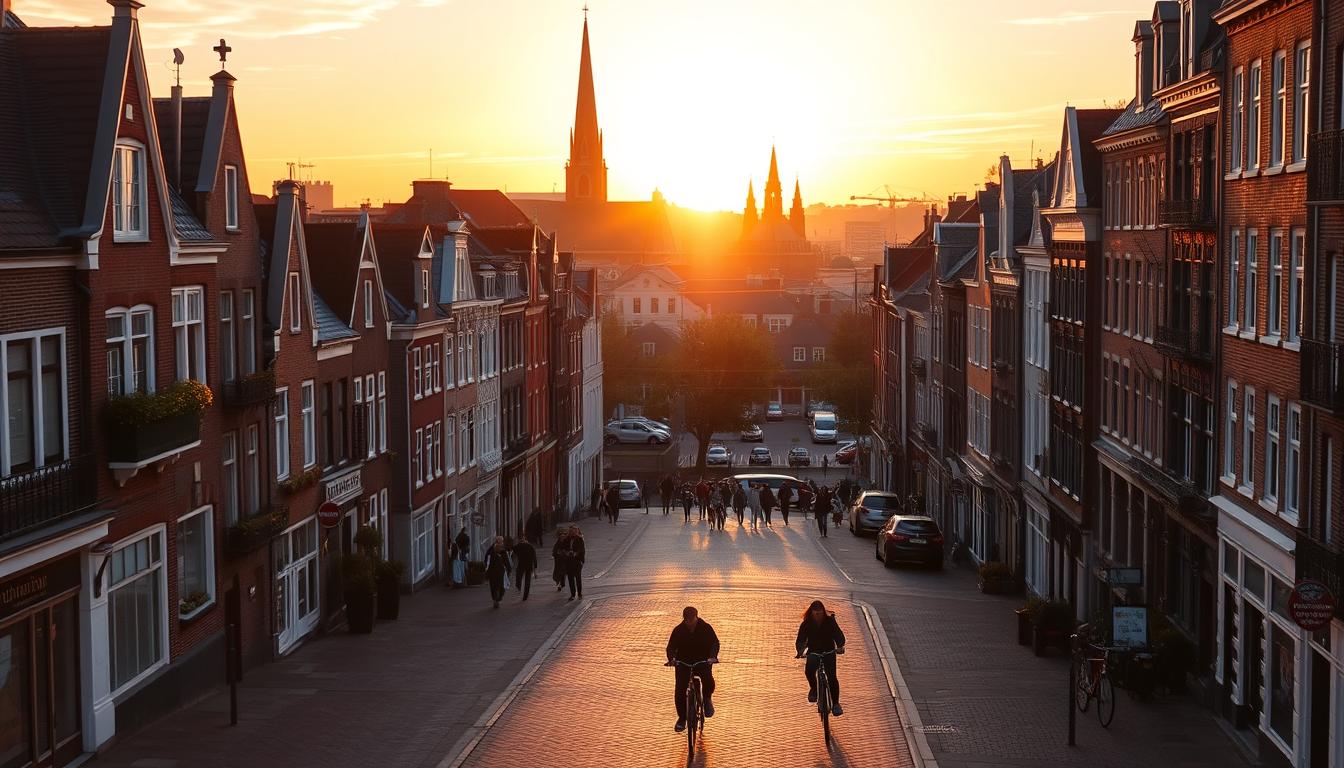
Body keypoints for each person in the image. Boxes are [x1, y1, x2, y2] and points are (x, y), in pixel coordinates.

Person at [665, 606, 720, 732]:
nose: (689, 622)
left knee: (707, 679)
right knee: (680, 689)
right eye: (686, 620)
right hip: (683, 663)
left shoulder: (705, 628)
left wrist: (712, 657)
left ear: (697, 617)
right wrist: (672, 659)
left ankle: (707, 699)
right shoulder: (678, 630)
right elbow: (671, 646)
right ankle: (682, 718)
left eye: (691, 619)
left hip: (702, 661)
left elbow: (715, 643)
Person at [795, 600, 846, 716]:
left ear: (823, 611)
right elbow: (801, 639)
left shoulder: (830, 622)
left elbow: (839, 635)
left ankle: (836, 704)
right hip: (814, 652)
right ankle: (813, 689)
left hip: (829, 652)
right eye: (815, 613)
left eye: (820, 612)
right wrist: (800, 651)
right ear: (811, 612)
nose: (818, 615)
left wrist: (840, 646)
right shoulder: (806, 624)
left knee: (832, 677)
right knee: (809, 671)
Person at [484, 536, 512, 609]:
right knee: (496, 586)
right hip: (496, 572)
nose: (502, 543)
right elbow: (487, 560)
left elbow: (506, 561)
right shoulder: (491, 551)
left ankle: (497, 599)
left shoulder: (502, 551)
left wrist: (509, 569)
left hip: (497, 572)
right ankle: (496, 599)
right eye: (501, 541)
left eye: (502, 541)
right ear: (497, 541)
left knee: (497, 586)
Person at [560, 525, 586, 601]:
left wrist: (576, 553)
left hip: (577, 561)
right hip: (568, 561)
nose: (572, 532)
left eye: (574, 531)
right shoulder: (566, 539)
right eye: (571, 531)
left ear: (576, 531)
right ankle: (573, 594)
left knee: (578, 578)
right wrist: (566, 552)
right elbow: (563, 548)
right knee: (570, 578)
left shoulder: (579, 539)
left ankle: (580, 593)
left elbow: (581, 549)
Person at [513, 535, 537, 600]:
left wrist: (519, 544)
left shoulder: (519, 546)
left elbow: (513, 550)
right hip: (528, 565)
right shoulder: (530, 546)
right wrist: (535, 568)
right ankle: (525, 595)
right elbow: (534, 558)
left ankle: (518, 588)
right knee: (527, 580)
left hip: (522, 565)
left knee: (519, 576)